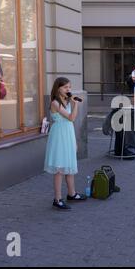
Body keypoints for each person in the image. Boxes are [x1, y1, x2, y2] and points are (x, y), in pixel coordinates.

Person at [45, 77, 86, 211]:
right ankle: (57, 199)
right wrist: (76, 105)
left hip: (68, 134)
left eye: (69, 87)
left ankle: (72, 193)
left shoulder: (67, 100)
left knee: (69, 165)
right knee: (59, 168)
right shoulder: (55, 103)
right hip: (59, 136)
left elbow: (69, 124)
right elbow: (71, 118)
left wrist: (73, 142)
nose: (68, 90)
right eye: (65, 87)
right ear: (58, 89)